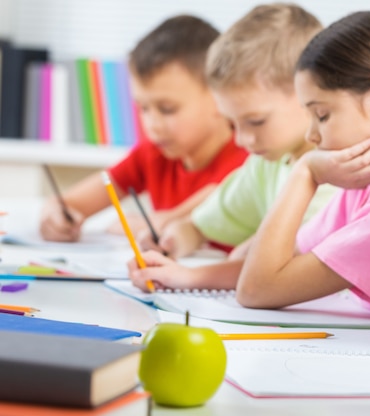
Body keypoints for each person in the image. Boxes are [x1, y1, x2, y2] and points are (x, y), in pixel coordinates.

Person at [233, 11, 370, 312]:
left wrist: (305, 173)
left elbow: (256, 290)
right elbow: (276, 259)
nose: (311, 134)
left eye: (322, 115)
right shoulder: (364, 187)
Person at [128, 3, 338, 290]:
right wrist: (172, 241)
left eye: (255, 121)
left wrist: (189, 277)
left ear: (309, 92)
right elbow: (199, 226)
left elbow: (274, 266)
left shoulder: (339, 170)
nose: (240, 139)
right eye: (232, 122)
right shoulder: (267, 163)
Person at [39, 15, 248, 243]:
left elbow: (200, 207)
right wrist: (55, 216)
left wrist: (150, 222)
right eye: (143, 108)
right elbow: (69, 203)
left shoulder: (251, 157)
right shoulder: (152, 155)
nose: (152, 124)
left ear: (219, 97)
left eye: (167, 109)